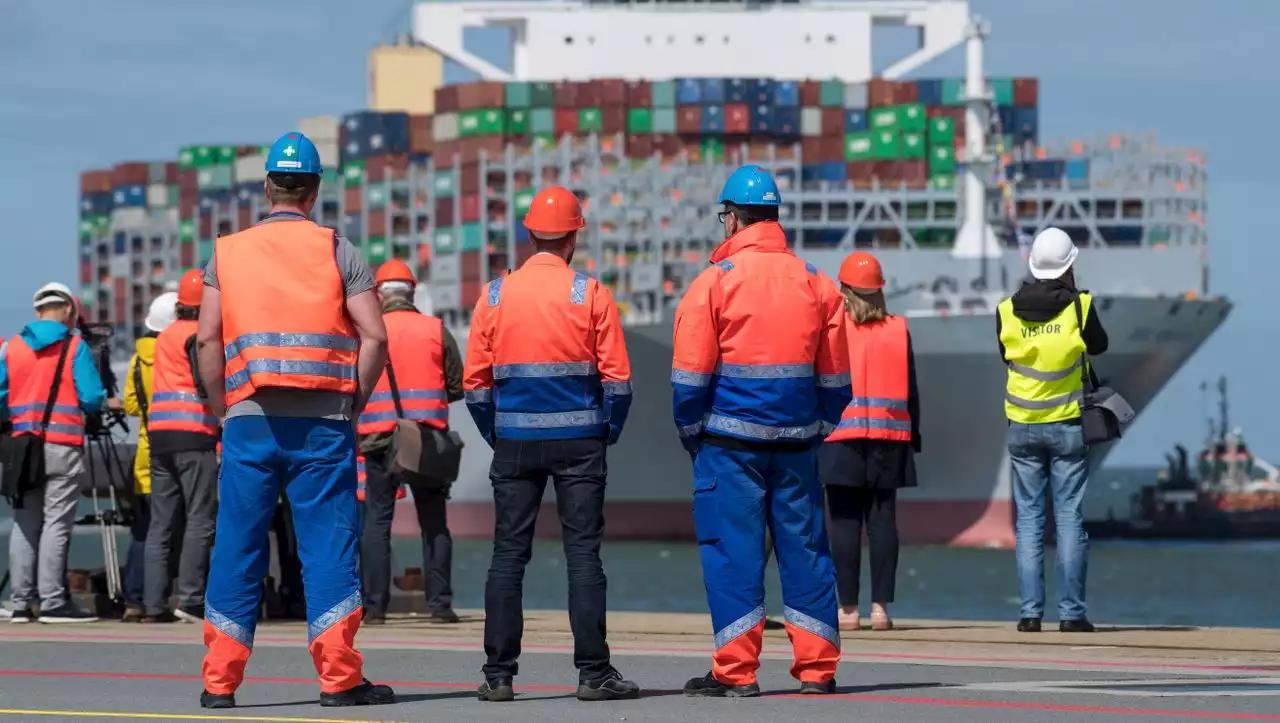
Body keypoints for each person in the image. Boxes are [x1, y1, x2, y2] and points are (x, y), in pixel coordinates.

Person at [195, 131, 395, 709]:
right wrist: (352, 400)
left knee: (238, 545)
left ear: (267, 187)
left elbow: (207, 339)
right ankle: (339, 680)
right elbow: (375, 336)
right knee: (328, 547)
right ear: (315, 190)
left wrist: (222, 408)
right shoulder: (340, 251)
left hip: (248, 422)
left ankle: (219, 683)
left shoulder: (226, 253)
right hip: (323, 425)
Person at [671, 165, 849, 697]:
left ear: (733, 219)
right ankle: (818, 670)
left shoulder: (714, 283)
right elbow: (837, 380)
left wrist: (693, 432)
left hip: (728, 446)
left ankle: (736, 673)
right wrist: (816, 426)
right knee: (807, 551)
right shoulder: (817, 281)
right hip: (797, 444)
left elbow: (688, 379)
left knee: (732, 551)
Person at [464, 185, 640, 703]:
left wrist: (497, 432)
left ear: (531, 233)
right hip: (581, 442)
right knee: (583, 555)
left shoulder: (495, 295)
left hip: (514, 441)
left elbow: (475, 386)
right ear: (573, 237)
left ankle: (498, 677)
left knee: (506, 557)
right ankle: (593, 674)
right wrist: (606, 430)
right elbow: (619, 384)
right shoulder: (591, 294)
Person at [997, 227, 1108, 634]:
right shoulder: (1080, 308)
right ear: (1069, 266)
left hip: (1022, 427)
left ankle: (1029, 615)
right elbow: (1100, 346)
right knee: (1068, 518)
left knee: (1028, 520)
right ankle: (1071, 615)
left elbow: (1006, 355)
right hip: (1066, 426)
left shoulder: (1006, 310)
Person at [357, 258, 464, 626]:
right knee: (435, 523)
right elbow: (456, 385)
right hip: (426, 439)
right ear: (413, 292)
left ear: (378, 295)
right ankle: (440, 606)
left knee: (377, 523)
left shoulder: (366, 333)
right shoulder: (436, 329)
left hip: (377, 439)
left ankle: (374, 608)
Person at [820, 252, 921, 633]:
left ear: (844, 290)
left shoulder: (832, 330)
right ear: (880, 290)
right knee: (883, 524)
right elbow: (912, 392)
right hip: (889, 441)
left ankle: (847, 610)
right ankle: (880, 609)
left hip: (840, 440)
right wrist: (915, 438)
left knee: (844, 525)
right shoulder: (898, 329)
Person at [1, 283, 109, 623]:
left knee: (24, 524)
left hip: (21, 448)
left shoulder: (12, 347)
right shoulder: (74, 346)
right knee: (56, 526)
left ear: (37, 311)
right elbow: (91, 397)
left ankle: (20, 603)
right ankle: (53, 602)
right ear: (66, 310)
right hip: (61, 446)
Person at [144, 270, 220, 624]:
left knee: (160, 524)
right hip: (194, 433)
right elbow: (205, 381)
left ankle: (153, 603)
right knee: (199, 518)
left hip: (159, 435)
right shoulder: (200, 336)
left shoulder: (164, 336)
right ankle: (190, 599)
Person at [121, 291, 178, 622]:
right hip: (180, 445)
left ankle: (134, 598)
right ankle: (170, 596)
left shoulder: (138, 358)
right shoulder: (181, 353)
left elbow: (130, 404)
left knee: (145, 529)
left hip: (145, 450)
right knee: (176, 526)